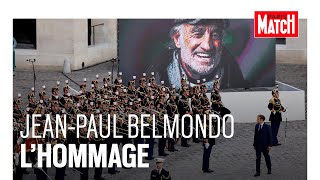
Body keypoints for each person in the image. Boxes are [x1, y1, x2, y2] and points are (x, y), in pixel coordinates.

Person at [152, 19, 246, 90]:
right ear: (177, 39)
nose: (207, 46)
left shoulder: (236, 81)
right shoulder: (156, 79)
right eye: (197, 34)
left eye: (215, 35)